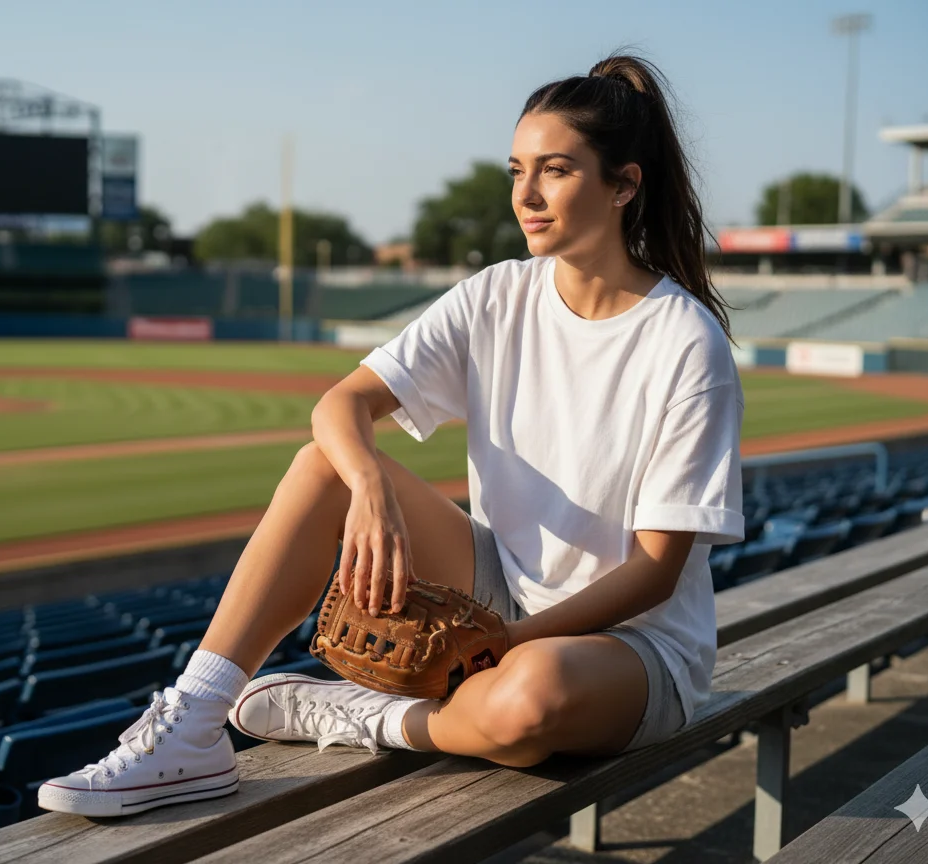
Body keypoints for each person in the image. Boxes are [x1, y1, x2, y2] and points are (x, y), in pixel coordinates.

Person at [38, 54, 744, 818]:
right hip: (500, 587)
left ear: (623, 185)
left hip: (632, 646)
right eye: (516, 171)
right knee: (326, 467)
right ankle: (195, 721)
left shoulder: (684, 341)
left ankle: (366, 715)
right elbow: (340, 405)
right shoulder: (496, 296)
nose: (526, 196)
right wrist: (370, 488)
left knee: (529, 704)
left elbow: (654, 574)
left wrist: (508, 641)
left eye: (557, 171)